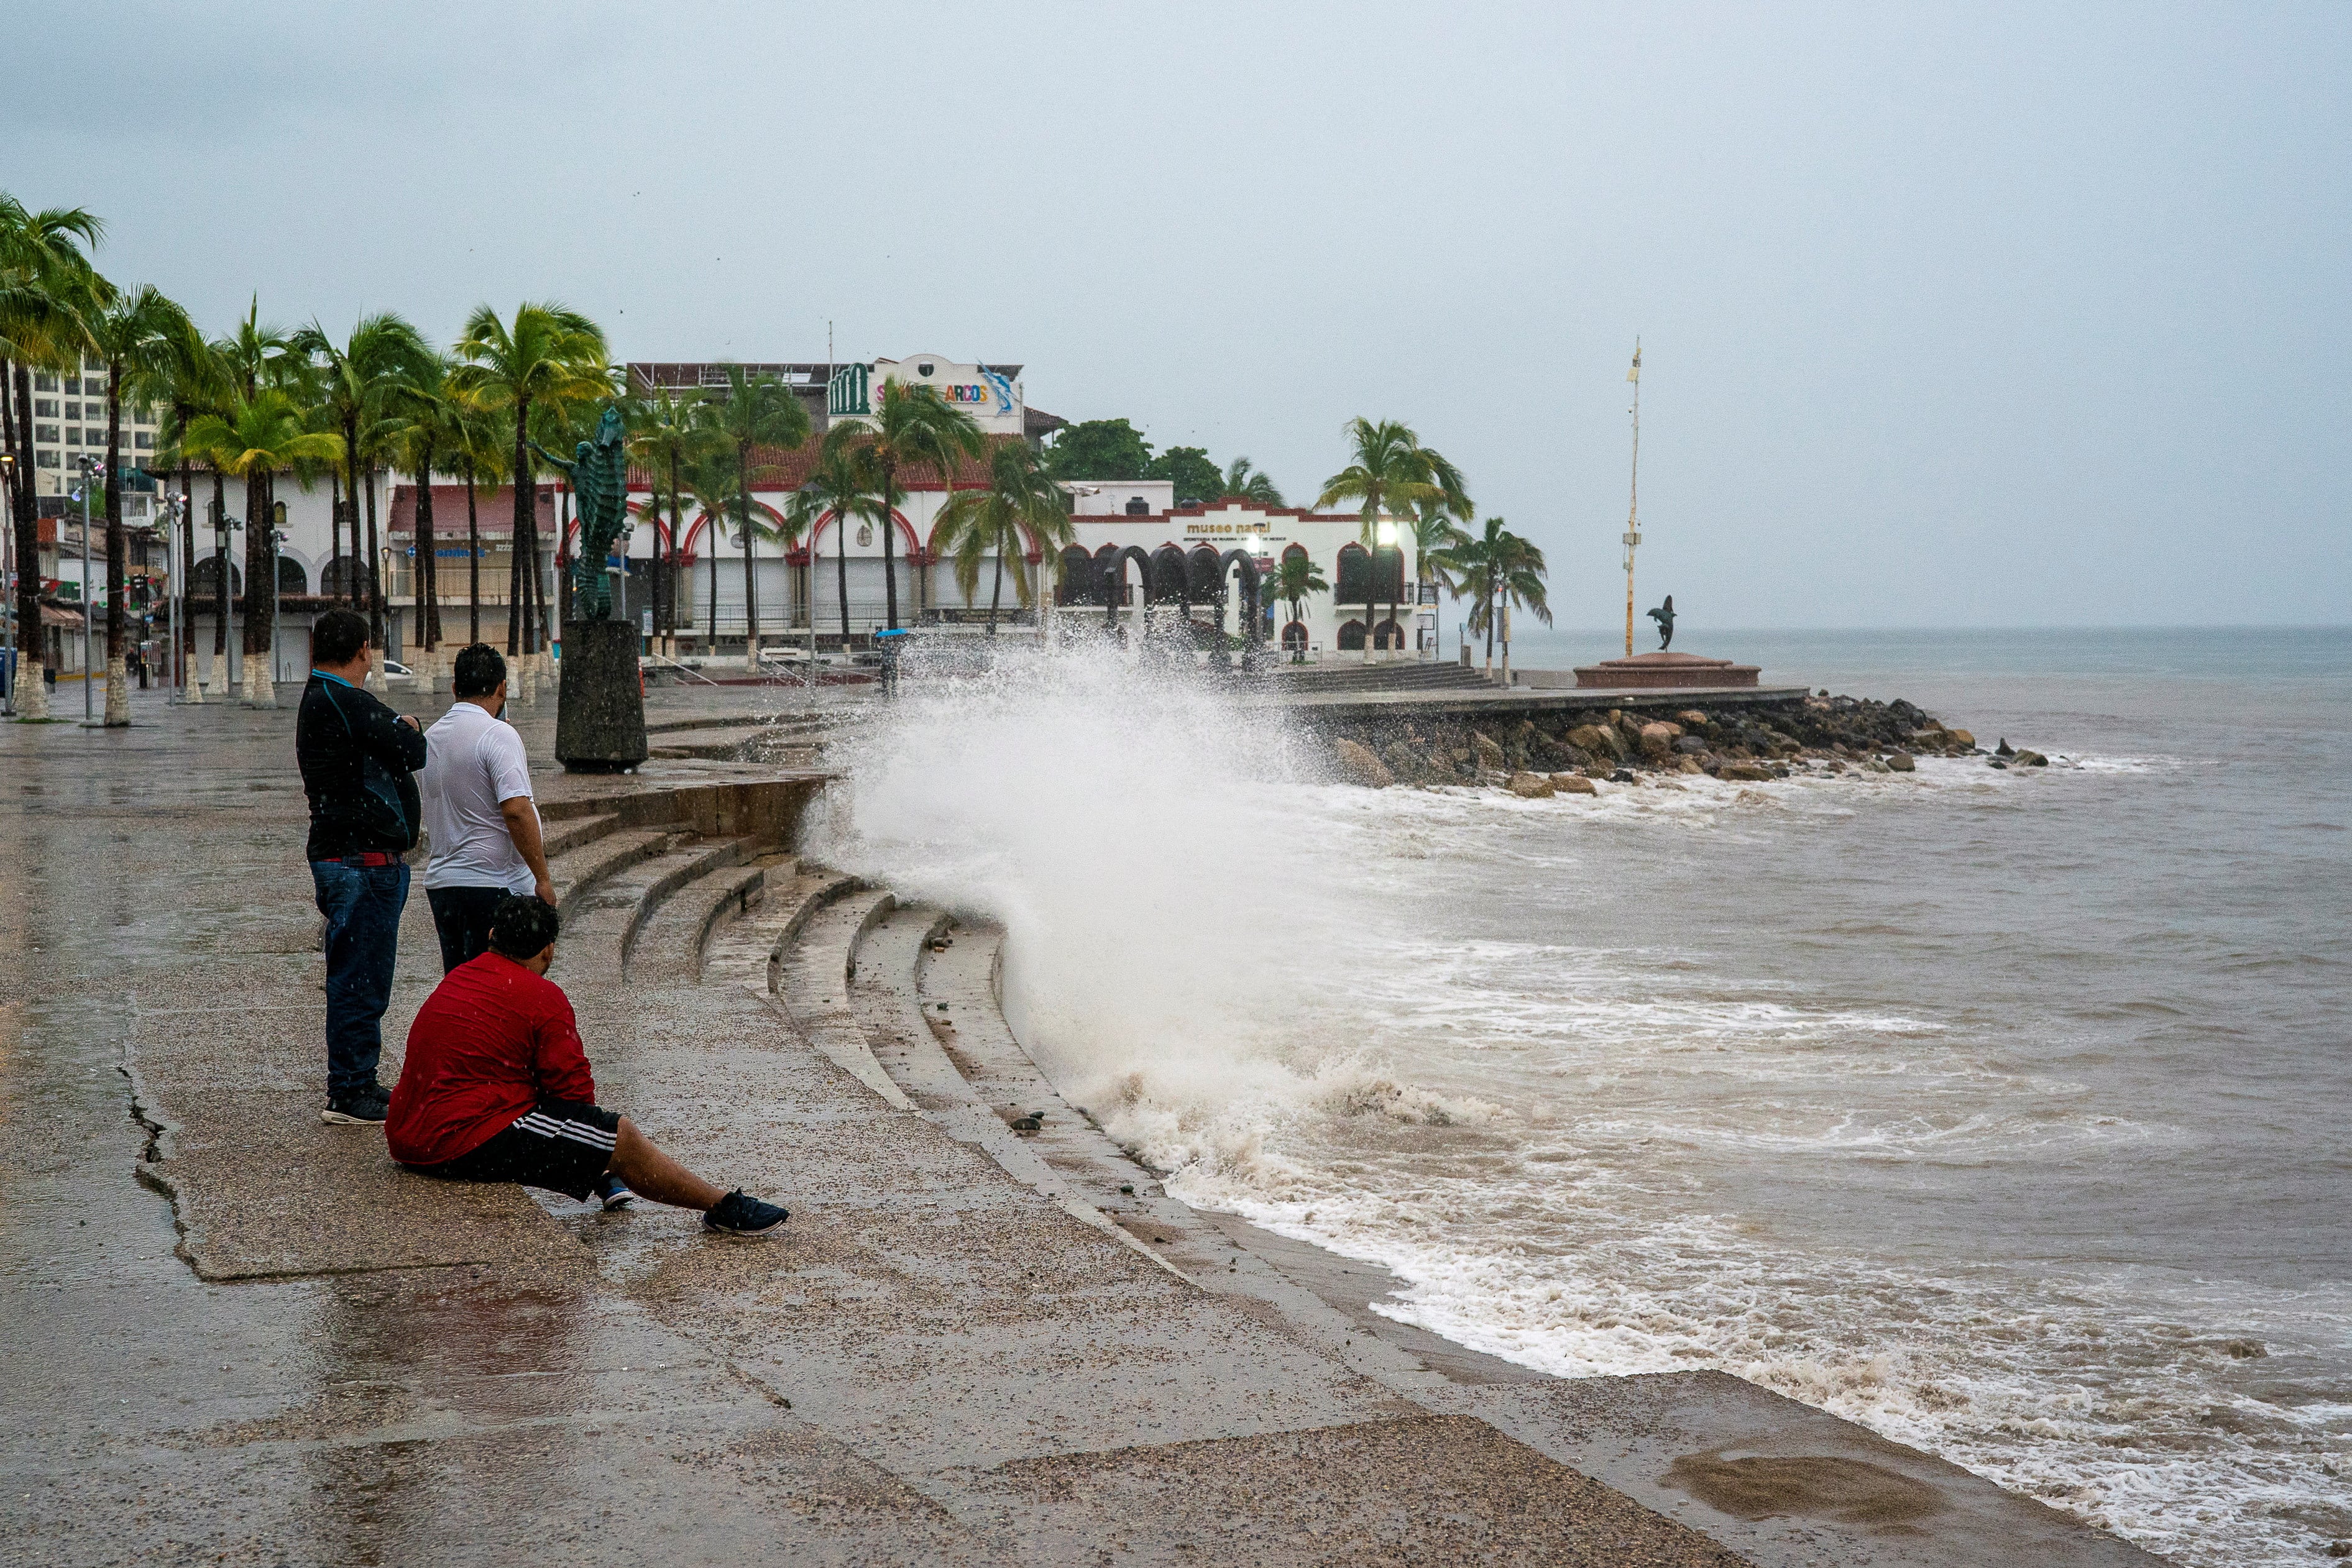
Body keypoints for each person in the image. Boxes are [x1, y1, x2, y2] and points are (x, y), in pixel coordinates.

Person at [387, 896, 789, 1237]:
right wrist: (603, 1151)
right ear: (548, 950)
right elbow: (574, 1099)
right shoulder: (542, 996)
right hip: (456, 1141)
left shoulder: (459, 977)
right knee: (620, 1136)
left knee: (571, 1122)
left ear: (493, 937)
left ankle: (605, 1174)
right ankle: (723, 1207)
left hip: (410, 1133)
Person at [297, 607, 427, 1126]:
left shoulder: (323, 699)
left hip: (350, 861)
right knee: (360, 980)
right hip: (361, 866)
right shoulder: (345, 700)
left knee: (358, 977)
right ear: (364, 652)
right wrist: (409, 726)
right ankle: (350, 1090)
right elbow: (412, 748)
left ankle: (357, 1080)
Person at [418, 643, 555, 973]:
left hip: (444, 886)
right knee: (501, 987)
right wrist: (543, 880)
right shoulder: (498, 735)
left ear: (455, 688)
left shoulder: (432, 738)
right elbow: (516, 811)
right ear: (502, 688)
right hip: (494, 885)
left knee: (461, 983)